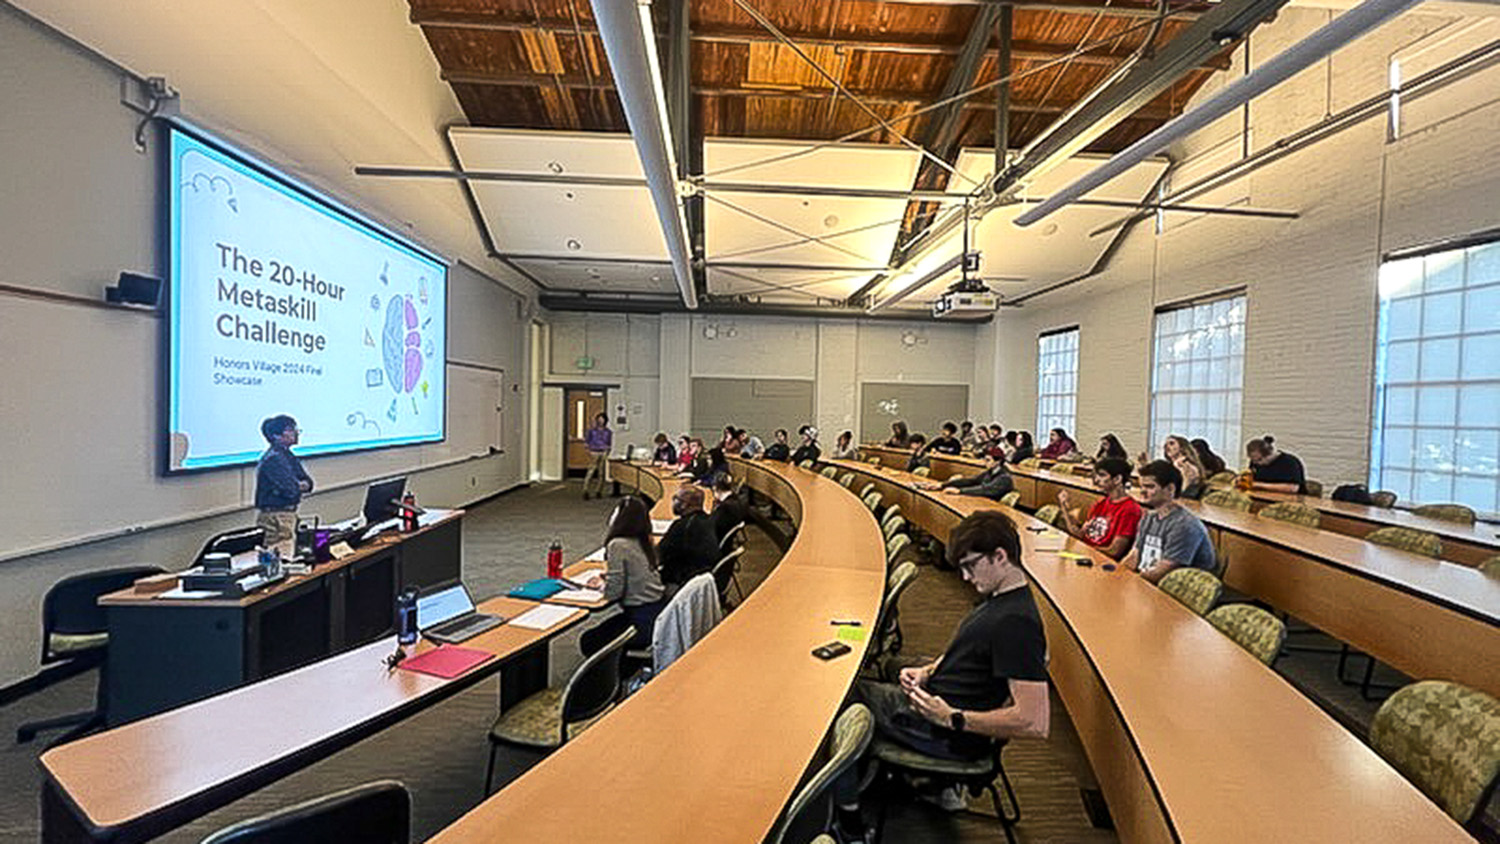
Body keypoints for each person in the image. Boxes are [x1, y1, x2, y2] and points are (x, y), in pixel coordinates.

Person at [832, 511, 1049, 843]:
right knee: (888, 669)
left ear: (1000, 556)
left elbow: (1034, 721)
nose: (963, 577)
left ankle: (850, 826)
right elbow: (969, 652)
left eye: (970, 566)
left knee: (837, 696)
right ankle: (913, 785)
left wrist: (953, 718)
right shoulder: (1001, 599)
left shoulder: (1015, 624)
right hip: (934, 707)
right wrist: (927, 671)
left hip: (941, 731)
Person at [584, 497, 665, 650]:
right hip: (656, 611)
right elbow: (637, 571)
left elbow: (614, 593)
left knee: (588, 641)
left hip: (640, 619)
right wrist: (609, 577)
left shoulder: (617, 545)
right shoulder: (645, 540)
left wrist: (602, 585)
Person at [1121, 460, 1217, 584]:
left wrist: (1129, 582)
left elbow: (1164, 571)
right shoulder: (1148, 518)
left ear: (1170, 488)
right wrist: (1118, 575)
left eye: (1150, 487)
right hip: (1145, 582)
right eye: (1142, 486)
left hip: (1176, 591)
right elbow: (1134, 555)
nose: (1143, 491)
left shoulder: (1184, 525)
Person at [1057, 458, 1142, 560]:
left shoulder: (1130, 510)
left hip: (1100, 561)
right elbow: (1080, 534)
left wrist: (1085, 550)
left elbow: (1114, 551)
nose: (1096, 480)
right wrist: (1064, 508)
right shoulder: (1100, 503)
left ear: (1117, 479)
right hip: (1087, 555)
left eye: (1102, 475)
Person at [255, 414, 313, 556]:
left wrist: (300, 484)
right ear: (276, 435)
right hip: (276, 517)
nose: (295, 432)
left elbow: (309, 483)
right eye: (290, 429)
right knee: (282, 557)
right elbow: (291, 489)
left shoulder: (287, 455)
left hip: (286, 514)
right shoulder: (274, 459)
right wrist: (299, 485)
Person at [656, 485, 721, 590]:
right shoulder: (707, 519)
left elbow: (659, 555)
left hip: (683, 581)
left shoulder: (683, 526)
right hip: (702, 578)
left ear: (685, 505)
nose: (673, 502)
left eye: (676, 499)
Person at [920, 450, 1013, 501]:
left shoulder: (1004, 477)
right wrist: (942, 485)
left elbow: (985, 489)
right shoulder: (990, 472)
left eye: (988, 460)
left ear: (998, 461)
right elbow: (971, 481)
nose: (985, 463)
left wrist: (960, 491)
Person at [1164, 435, 1208, 500]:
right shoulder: (1173, 465)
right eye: (1165, 445)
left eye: (1172, 443)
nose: (1167, 447)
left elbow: (1185, 489)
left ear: (1181, 447)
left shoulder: (1186, 465)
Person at [708, 475, 748, 546]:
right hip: (725, 539)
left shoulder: (725, 507)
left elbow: (712, 524)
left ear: (716, 488)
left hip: (716, 542)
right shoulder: (735, 499)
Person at [582, 413, 613, 500]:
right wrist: (589, 449)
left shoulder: (608, 432)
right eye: (599, 419)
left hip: (603, 452)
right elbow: (587, 441)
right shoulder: (592, 431)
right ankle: (585, 490)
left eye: (602, 419)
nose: (600, 421)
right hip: (594, 452)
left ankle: (599, 491)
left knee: (601, 473)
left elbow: (609, 443)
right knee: (591, 471)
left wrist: (607, 451)